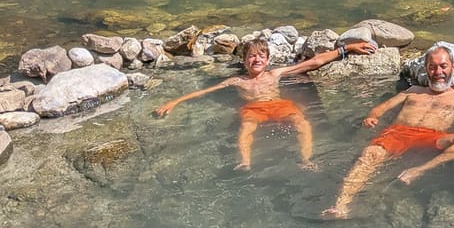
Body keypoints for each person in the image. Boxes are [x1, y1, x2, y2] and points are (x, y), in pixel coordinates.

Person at [321, 44, 454, 219]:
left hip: (432, 136)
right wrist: (372, 117)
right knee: (370, 155)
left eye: (443, 66)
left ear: (452, 67)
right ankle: (341, 206)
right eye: (432, 67)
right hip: (398, 133)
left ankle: (419, 170)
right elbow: (381, 108)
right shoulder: (413, 91)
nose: (438, 72)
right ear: (426, 68)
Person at [154, 37, 376, 170]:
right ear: (244, 61)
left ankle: (306, 160)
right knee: (246, 127)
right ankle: (245, 162)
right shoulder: (236, 81)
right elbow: (203, 92)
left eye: (261, 56)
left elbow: (314, 62)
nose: (256, 59)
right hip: (254, 109)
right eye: (251, 56)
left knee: (302, 123)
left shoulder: (274, 74)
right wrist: (175, 102)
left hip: (279, 105)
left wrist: (347, 49)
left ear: (268, 60)